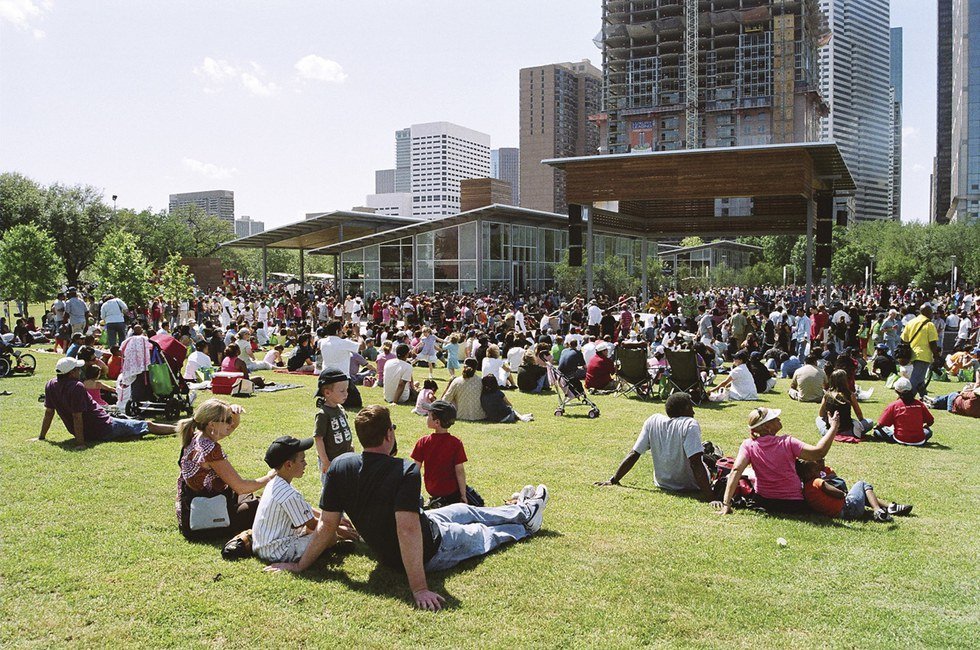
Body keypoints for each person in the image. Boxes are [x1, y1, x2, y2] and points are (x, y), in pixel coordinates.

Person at [267, 405, 550, 612]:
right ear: (388, 435)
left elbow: (327, 526)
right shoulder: (404, 470)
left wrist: (299, 566)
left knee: (465, 511)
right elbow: (407, 530)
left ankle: (522, 510)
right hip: (432, 550)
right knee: (482, 534)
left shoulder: (340, 466)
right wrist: (420, 588)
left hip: (423, 528)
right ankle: (526, 525)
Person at [176, 399, 275, 537]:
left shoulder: (196, 436)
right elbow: (240, 487)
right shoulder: (210, 449)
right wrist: (271, 477)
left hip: (193, 512)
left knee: (251, 497)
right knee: (267, 504)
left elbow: (231, 428)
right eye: (227, 420)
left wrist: (233, 414)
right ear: (212, 424)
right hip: (208, 519)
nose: (231, 423)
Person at [717, 407, 839, 515]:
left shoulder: (748, 445)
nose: (779, 419)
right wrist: (833, 427)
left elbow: (736, 470)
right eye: (774, 418)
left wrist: (726, 503)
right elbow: (819, 452)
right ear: (767, 427)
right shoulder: (787, 442)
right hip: (793, 504)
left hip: (763, 501)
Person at [594, 392, 714, 501]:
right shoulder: (690, 424)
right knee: (711, 458)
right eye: (691, 408)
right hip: (690, 485)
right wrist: (711, 497)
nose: (693, 412)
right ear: (685, 409)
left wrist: (614, 479)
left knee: (701, 452)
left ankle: (705, 450)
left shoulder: (652, 421)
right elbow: (695, 463)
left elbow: (634, 454)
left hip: (663, 483)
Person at [38, 357, 175, 448]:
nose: (80, 371)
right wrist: (80, 443)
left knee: (128, 422)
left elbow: (49, 413)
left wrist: (42, 437)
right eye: (77, 369)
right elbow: (77, 416)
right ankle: (180, 429)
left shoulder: (51, 384)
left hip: (86, 430)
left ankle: (131, 435)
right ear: (71, 373)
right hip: (103, 427)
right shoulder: (76, 386)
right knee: (147, 424)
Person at [252, 436, 332, 565]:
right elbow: (314, 525)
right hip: (277, 552)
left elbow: (305, 509)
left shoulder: (275, 483)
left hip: (264, 547)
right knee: (329, 536)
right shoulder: (288, 494)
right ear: (289, 464)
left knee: (319, 531)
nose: (306, 464)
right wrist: (339, 529)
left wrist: (332, 521)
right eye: (302, 460)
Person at [797, 460, 912, 523]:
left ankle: (890, 508)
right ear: (809, 473)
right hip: (848, 509)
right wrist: (845, 494)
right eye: (816, 470)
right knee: (862, 484)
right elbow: (839, 494)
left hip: (839, 515)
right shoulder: (817, 481)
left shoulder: (805, 489)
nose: (819, 472)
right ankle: (878, 511)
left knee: (863, 494)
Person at [410, 401, 471, 507]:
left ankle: (437, 501)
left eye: (428, 415)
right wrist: (463, 495)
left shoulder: (423, 442)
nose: (426, 417)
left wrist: (411, 493)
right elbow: (460, 471)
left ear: (437, 422)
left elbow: (415, 470)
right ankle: (442, 502)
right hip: (451, 491)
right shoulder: (456, 443)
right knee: (477, 501)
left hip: (432, 489)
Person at [313, 369, 355, 486]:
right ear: (327, 393)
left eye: (346, 390)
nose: (346, 394)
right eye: (342, 391)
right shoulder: (323, 414)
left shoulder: (340, 409)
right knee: (330, 486)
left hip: (345, 457)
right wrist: (325, 461)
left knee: (345, 484)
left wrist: (350, 446)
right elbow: (318, 439)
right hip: (331, 460)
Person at [873, 378, 935, 446]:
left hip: (900, 439)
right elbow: (931, 421)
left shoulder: (894, 405)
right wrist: (925, 426)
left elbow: (880, 424)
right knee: (928, 432)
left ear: (896, 391)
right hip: (919, 440)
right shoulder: (919, 404)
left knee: (877, 431)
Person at [900, 304, 940, 398]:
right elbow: (932, 343)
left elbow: (904, 340)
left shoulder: (911, 322)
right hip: (923, 355)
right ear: (927, 312)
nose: (932, 315)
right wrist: (936, 356)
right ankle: (906, 398)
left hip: (912, 354)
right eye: (931, 313)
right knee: (915, 379)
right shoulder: (929, 324)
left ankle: (924, 397)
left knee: (920, 379)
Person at [817, 369, 870, 438]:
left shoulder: (827, 395)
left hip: (830, 431)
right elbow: (859, 415)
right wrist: (860, 423)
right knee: (869, 422)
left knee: (818, 419)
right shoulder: (850, 395)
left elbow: (821, 414)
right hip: (848, 430)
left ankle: (828, 433)